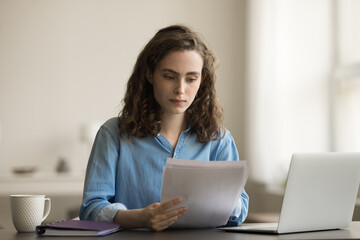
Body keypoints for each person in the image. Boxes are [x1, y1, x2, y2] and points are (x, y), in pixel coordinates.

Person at [79, 24, 249, 231]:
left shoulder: (219, 139)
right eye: (169, 77)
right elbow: (91, 208)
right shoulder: (113, 133)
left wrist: (225, 203)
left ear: (202, 80)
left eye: (191, 79)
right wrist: (140, 217)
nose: (180, 89)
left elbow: (240, 208)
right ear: (150, 74)